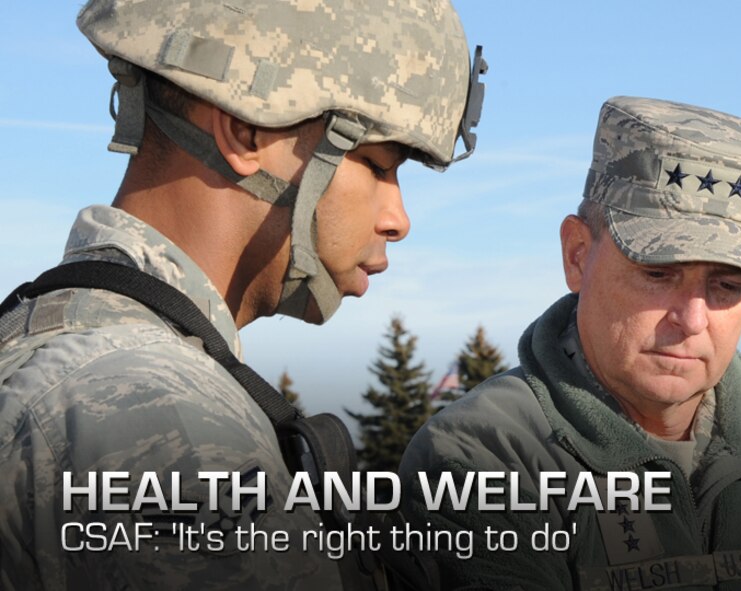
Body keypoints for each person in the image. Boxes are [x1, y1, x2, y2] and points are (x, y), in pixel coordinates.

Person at [0, 0, 485, 589]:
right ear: (247, 132)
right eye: (376, 164)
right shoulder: (160, 422)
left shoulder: (58, 337)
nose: (397, 219)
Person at [400, 96, 741, 590]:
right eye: (657, 273)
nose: (692, 319)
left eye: (727, 286)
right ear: (577, 254)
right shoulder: (486, 458)